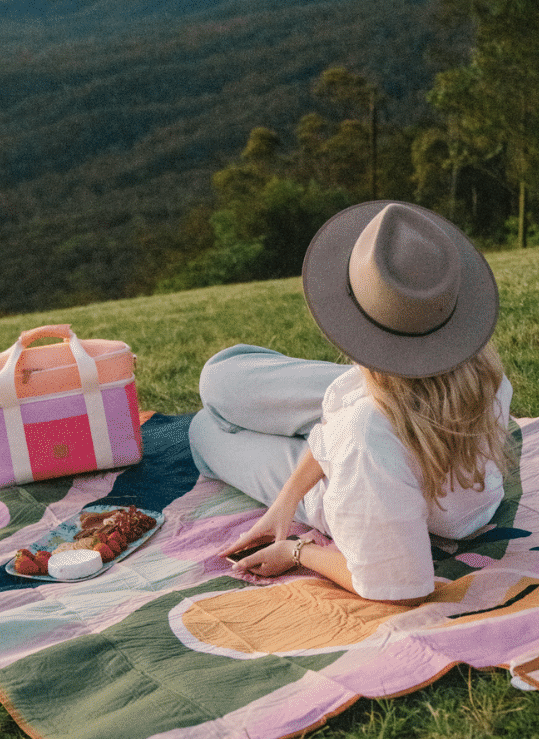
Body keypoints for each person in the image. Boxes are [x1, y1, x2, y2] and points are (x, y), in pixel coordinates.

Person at [188, 200, 513, 603]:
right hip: (409, 420)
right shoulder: (480, 370)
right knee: (218, 377)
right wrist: (284, 504)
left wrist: (297, 550)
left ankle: (229, 423)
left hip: (387, 448)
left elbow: (400, 587)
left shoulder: (366, 439)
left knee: (204, 428)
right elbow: (348, 420)